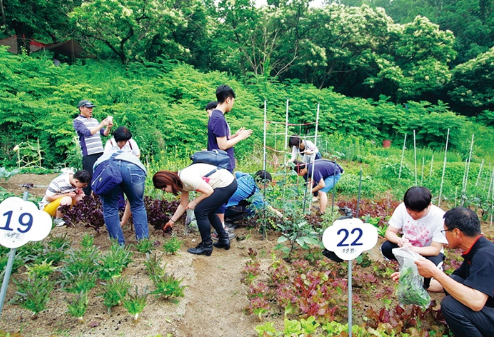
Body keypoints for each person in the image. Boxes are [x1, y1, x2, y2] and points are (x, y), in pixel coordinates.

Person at [393, 207, 494, 337]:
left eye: (445, 231)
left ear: (457, 233)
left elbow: (476, 302)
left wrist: (435, 272)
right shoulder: (475, 250)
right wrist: (412, 277)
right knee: (456, 282)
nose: (444, 235)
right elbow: (446, 284)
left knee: (450, 305)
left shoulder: (485, 256)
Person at [152, 163, 237, 256]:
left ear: (168, 182)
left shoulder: (185, 177)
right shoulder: (181, 183)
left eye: (164, 188)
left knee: (200, 211)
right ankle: (223, 239)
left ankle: (206, 245)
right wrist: (171, 221)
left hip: (225, 184)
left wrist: (194, 202)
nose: (166, 191)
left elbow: (208, 191)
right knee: (209, 211)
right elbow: (183, 204)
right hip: (226, 184)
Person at [381, 187, 448, 282]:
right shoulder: (402, 208)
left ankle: (413, 267)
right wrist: (399, 240)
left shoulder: (440, 217)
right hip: (406, 249)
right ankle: (410, 265)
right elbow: (389, 232)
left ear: (429, 205)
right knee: (386, 247)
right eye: (410, 211)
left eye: (417, 212)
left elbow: (435, 249)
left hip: (426, 252)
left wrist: (413, 249)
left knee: (433, 264)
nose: (413, 215)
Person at [94, 151, 149, 245]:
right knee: (137, 205)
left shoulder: (101, 158)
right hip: (133, 167)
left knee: (110, 208)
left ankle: (118, 246)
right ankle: (143, 243)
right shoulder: (130, 155)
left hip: (106, 168)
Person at [207, 84, 252, 172]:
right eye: (232, 101)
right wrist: (240, 137)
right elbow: (222, 145)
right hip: (222, 166)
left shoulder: (216, 116)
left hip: (221, 164)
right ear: (228, 100)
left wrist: (235, 136)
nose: (232, 104)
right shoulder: (218, 118)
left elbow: (220, 140)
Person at [73, 100, 113, 195]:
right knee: (88, 178)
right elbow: (87, 133)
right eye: (88, 108)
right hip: (89, 154)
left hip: (100, 152)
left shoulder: (95, 120)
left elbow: (104, 134)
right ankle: (86, 199)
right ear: (81, 108)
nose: (90, 110)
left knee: (102, 175)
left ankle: (99, 197)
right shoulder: (77, 121)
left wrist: (108, 127)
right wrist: (101, 125)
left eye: (91, 108)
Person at [104, 126, 141, 227]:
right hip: (114, 173)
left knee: (130, 193)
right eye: (121, 142)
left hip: (128, 171)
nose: (123, 144)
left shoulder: (131, 143)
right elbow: (106, 159)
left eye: (124, 141)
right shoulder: (110, 144)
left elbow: (137, 155)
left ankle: (127, 214)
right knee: (116, 192)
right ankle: (119, 212)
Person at [218, 170, 283, 226]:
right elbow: (268, 208)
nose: (267, 187)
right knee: (253, 209)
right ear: (260, 182)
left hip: (217, 201)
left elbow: (236, 173)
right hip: (220, 210)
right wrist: (283, 217)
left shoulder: (248, 176)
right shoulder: (255, 192)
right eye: (266, 185)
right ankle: (227, 220)